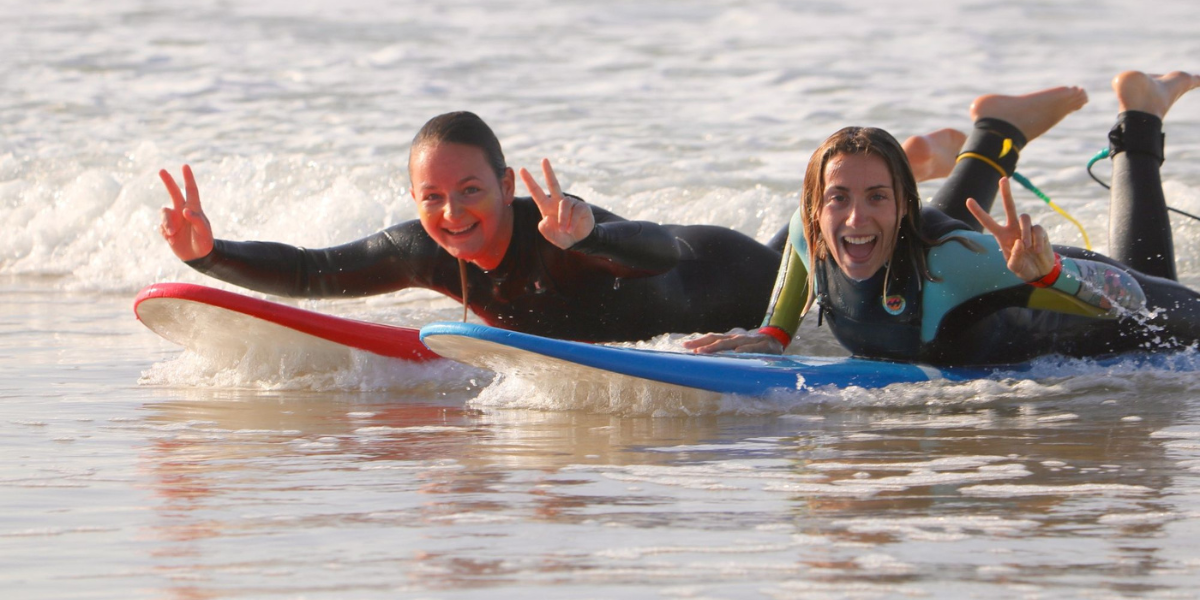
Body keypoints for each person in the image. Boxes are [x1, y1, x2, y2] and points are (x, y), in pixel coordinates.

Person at [159, 111, 964, 343]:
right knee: (845, 221)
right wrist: (210, 252)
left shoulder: (558, 224)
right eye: (430, 197)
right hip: (692, 297)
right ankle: (909, 161)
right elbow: (309, 273)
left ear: (505, 184)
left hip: (737, 280)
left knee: (924, 240)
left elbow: (665, 253)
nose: (450, 213)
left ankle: (984, 140)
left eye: (470, 190)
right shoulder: (425, 246)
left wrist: (590, 239)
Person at [685, 71, 1200, 365]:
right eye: (838, 198)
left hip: (1086, 319)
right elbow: (800, 263)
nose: (853, 216)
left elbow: (1127, 300)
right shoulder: (811, 226)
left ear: (905, 206)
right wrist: (773, 333)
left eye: (877, 197)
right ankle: (1137, 112)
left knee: (1167, 306)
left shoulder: (956, 265)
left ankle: (1142, 117)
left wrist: (1048, 273)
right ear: (815, 204)